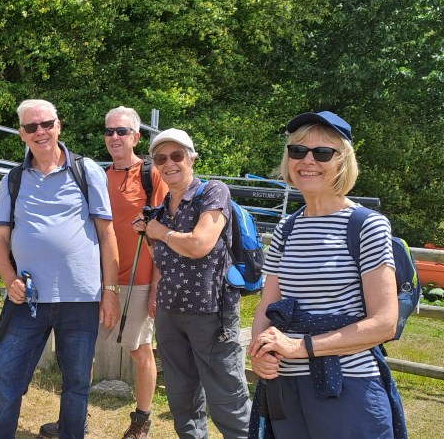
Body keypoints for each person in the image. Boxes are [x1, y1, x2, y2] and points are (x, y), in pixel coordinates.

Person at [247, 111, 406, 438]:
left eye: (322, 152)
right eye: (298, 150)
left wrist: (299, 347)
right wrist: (259, 353)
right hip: (286, 386)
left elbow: (384, 323)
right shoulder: (286, 229)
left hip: (348, 386)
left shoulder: (366, 225)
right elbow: (267, 306)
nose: (308, 160)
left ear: (342, 161)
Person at [0, 99, 120, 439]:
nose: (40, 132)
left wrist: (110, 291)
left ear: (58, 126)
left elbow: (107, 234)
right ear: (22, 134)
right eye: (31, 127)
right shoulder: (14, 179)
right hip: (27, 299)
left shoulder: (86, 170)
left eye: (46, 124)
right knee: (3, 375)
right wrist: (9, 279)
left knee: (76, 382)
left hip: (81, 299)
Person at [40, 106, 167, 439]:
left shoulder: (152, 175)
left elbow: (164, 234)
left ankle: (141, 422)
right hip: (95, 281)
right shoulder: (95, 175)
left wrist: (157, 287)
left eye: (122, 131)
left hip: (138, 280)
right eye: (109, 131)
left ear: (136, 137)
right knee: (82, 352)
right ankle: (74, 419)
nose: (114, 137)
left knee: (139, 350)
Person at [131, 128, 252, 439]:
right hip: (170, 312)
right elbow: (163, 260)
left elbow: (200, 245)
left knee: (226, 398)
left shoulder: (213, 192)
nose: (168, 163)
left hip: (210, 311)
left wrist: (160, 233)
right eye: (160, 159)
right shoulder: (160, 210)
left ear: (191, 158)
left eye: (176, 155)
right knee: (181, 397)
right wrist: (149, 234)